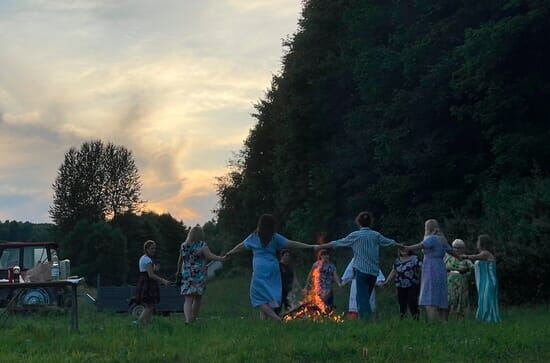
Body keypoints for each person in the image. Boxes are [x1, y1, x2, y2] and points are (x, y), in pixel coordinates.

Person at [225, 214, 316, 321]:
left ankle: (277, 319)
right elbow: (292, 243)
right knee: (268, 295)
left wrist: (230, 252)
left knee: (257, 297)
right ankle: (265, 322)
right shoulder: (275, 237)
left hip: (260, 268)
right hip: (273, 267)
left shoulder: (254, 237)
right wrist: (310, 246)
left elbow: (241, 246)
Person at [318, 211, 400, 319]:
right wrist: (402, 245)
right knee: (366, 296)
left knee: (362, 298)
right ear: (370, 222)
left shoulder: (355, 235)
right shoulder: (376, 235)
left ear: (359, 222)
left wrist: (320, 246)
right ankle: (367, 320)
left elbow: (338, 243)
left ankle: (365, 322)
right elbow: (390, 242)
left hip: (361, 272)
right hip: (373, 272)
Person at [402, 219, 460, 321]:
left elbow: (421, 245)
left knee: (430, 296)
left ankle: (434, 322)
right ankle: (443, 322)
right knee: (440, 295)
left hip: (431, 268)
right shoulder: (442, 239)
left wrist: (407, 248)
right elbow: (451, 251)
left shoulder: (431, 238)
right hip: (440, 267)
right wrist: (460, 257)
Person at [177, 226, 226, 324]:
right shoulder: (202, 245)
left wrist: (178, 271)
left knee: (188, 299)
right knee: (197, 298)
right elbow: (209, 255)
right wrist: (220, 258)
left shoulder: (183, 245)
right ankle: (193, 320)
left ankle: (187, 320)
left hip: (186, 273)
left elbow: (180, 260)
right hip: (198, 274)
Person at [462, 234, 501, 323]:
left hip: (489, 281)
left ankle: (489, 319)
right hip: (484, 282)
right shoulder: (484, 254)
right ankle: (484, 318)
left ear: (482, 243)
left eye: (478, 241)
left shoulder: (486, 253)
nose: (477, 243)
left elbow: (476, 257)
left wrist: (465, 256)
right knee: (483, 299)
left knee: (487, 299)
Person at [135, 240, 170, 325]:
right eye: (152, 248)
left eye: (155, 248)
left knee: (151, 306)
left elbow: (149, 271)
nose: (154, 250)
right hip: (147, 284)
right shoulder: (147, 260)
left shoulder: (144, 258)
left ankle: (146, 323)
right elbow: (150, 275)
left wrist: (155, 269)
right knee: (150, 306)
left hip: (146, 283)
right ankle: (138, 323)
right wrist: (163, 280)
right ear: (146, 249)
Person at [382, 247, 422, 319]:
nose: (403, 251)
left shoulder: (414, 259)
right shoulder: (397, 261)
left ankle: (416, 319)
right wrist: (387, 281)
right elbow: (393, 271)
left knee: (412, 302)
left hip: (412, 285)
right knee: (402, 304)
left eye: (405, 249)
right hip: (400, 286)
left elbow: (422, 268)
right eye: (401, 249)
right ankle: (402, 320)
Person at [444, 239, 473, 320]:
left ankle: (461, 319)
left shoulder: (466, 259)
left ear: (463, 248)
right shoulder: (447, 257)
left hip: (461, 282)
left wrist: (465, 274)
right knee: (449, 300)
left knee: (461, 300)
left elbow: (472, 270)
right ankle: (447, 318)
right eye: (454, 247)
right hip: (449, 281)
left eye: (459, 247)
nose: (456, 249)